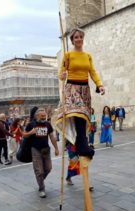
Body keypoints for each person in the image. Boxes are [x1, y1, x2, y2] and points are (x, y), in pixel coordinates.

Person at [55, 27, 105, 161]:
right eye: (76, 37)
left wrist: (99, 85)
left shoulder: (87, 56)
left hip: (85, 89)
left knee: (83, 117)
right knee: (78, 113)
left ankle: (80, 143)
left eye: (80, 37)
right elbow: (60, 74)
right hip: (72, 88)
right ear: (72, 40)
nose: (79, 39)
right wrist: (63, 75)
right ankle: (82, 145)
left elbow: (92, 72)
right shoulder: (68, 56)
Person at [23, 108, 59, 198]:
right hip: (35, 150)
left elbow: (52, 137)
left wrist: (56, 148)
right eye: (42, 116)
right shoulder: (31, 124)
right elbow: (24, 135)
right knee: (39, 171)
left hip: (46, 150)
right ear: (37, 116)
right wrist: (31, 132)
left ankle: (40, 180)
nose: (44, 117)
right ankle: (41, 188)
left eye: (45, 116)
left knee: (48, 168)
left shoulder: (47, 124)